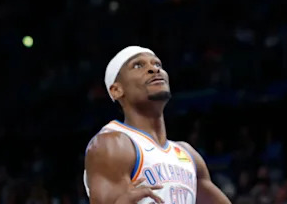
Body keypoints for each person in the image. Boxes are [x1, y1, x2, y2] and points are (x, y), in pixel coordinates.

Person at [84, 46, 231, 204]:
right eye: (138, 65)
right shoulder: (112, 144)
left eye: (157, 64)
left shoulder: (188, 154)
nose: (153, 69)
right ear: (117, 90)